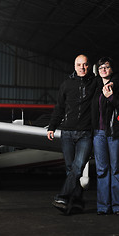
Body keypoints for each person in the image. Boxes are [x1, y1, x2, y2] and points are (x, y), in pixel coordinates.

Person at [47, 54, 96, 215]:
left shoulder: (95, 83)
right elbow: (60, 107)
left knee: (78, 167)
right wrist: (52, 127)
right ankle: (77, 202)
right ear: (74, 66)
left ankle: (63, 197)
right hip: (67, 133)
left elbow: (114, 79)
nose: (82, 67)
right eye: (79, 65)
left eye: (85, 65)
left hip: (85, 133)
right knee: (70, 170)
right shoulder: (66, 84)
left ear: (89, 66)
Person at [91, 57, 119, 215]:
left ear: (111, 69)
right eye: (101, 68)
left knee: (117, 171)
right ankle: (103, 207)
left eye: (106, 67)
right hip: (98, 134)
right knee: (101, 171)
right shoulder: (95, 88)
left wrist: (111, 98)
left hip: (115, 133)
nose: (104, 70)